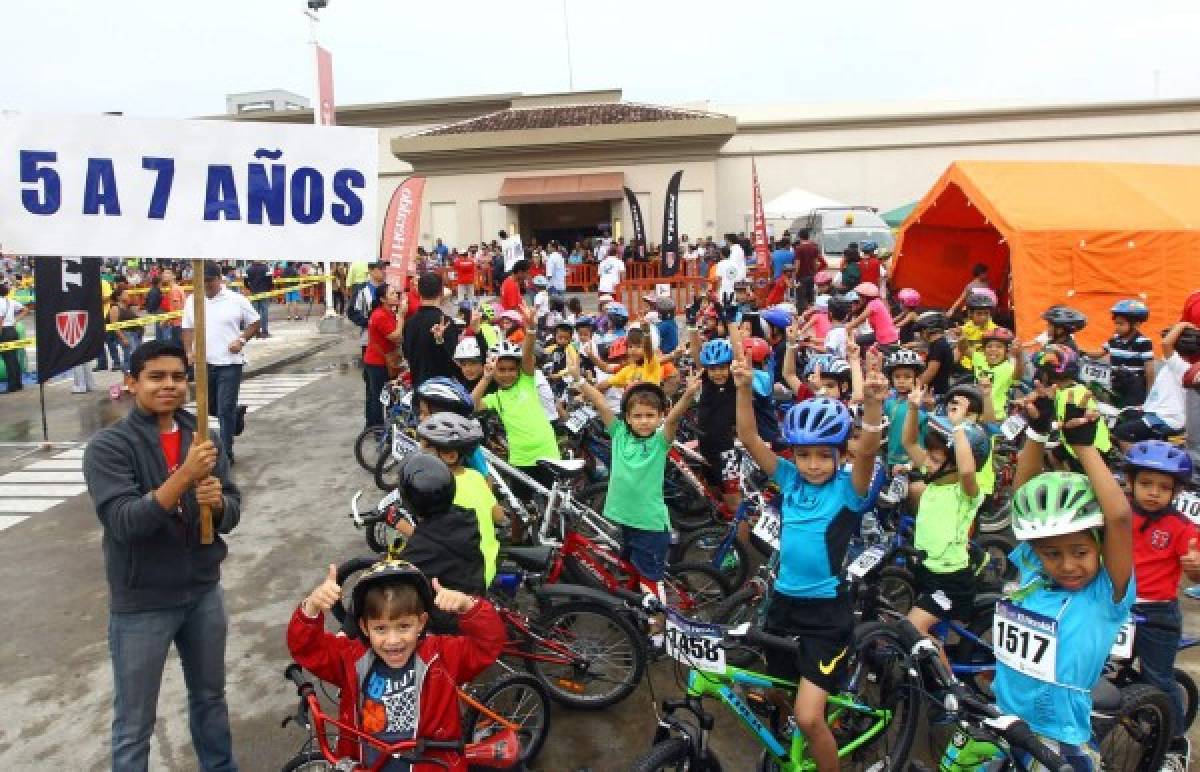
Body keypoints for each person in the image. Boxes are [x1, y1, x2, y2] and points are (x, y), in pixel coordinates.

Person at [83, 340, 241, 771]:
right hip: (142, 603)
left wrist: (218, 505)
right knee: (135, 722)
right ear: (131, 383)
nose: (169, 384)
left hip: (203, 592)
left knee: (211, 699)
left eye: (177, 376)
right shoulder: (109, 447)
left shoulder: (203, 437)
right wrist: (185, 477)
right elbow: (126, 522)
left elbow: (232, 508)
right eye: (156, 376)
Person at [734, 373, 885, 772]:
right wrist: (745, 388)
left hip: (826, 617)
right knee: (777, 691)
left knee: (808, 717)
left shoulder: (846, 491)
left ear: (839, 456)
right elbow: (749, 437)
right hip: (783, 606)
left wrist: (872, 406)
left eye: (822, 455)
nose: (812, 465)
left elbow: (868, 453)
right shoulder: (788, 480)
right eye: (803, 455)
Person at [993, 395, 1133, 772]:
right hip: (1006, 719)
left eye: (1080, 552)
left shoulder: (1105, 593)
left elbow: (1118, 518)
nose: (1068, 565)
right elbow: (1023, 494)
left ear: (1099, 548)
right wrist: (1037, 434)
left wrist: (1085, 447)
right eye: (1053, 554)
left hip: (1062, 736)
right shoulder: (1036, 573)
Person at [288, 556, 504, 771]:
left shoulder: (442, 656)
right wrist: (312, 607)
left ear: (421, 622)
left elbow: (488, 644)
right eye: (380, 628)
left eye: (403, 627)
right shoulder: (352, 659)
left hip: (430, 764)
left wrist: (469, 606)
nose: (393, 641)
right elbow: (306, 649)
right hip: (369, 764)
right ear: (364, 628)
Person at [1121, 440, 1200, 766]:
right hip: (1116, 607)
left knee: (1158, 678)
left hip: (1156, 612)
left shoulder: (1182, 527)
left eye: (1163, 487)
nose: (1153, 492)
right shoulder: (1119, 513)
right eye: (1146, 483)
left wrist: (1195, 569)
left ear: (1175, 491)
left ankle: (1174, 746)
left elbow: (1194, 567)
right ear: (1131, 483)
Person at [901, 384, 990, 637]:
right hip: (926, 568)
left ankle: (947, 678)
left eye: (936, 460)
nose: (927, 462)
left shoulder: (965, 492)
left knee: (912, 628)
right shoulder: (936, 477)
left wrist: (959, 426)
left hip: (951, 581)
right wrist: (912, 408)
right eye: (928, 455)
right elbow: (908, 442)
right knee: (925, 632)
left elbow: (966, 470)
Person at [471, 312, 561, 496]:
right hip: (520, 459)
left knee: (552, 505)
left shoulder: (526, 381)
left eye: (512, 369)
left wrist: (531, 329)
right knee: (521, 511)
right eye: (501, 370)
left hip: (547, 452)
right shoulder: (496, 397)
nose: (507, 374)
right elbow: (471, 404)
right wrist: (486, 378)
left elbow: (527, 354)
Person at [181, 263, 260, 463]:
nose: (206, 284)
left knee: (224, 409)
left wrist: (241, 340)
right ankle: (236, 413)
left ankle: (226, 454)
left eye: (210, 280)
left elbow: (255, 322)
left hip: (229, 363)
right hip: (204, 363)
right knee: (208, 408)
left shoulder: (236, 300)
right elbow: (187, 328)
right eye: (202, 281)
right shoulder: (192, 300)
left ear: (219, 279)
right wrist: (189, 352)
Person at [401, 272, 461, 391]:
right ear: (441, 293)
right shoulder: (447, 323)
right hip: (442, 390)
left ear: (419, 292)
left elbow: (407, 354)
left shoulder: (409, 323)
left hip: (419, 387)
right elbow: (454, 359)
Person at [1101, 299, 1155, 409]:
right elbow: (1100, 353)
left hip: (1134, 388)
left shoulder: (1143, 342)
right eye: (1116, 323)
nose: (1117, 327)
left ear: (1136, 324)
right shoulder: (1114, 339)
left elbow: (1149, 371)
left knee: (1129, 415)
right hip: (1116, 384)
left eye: (1121, 324)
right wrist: (1080, 352)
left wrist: (1150, 394)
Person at [364, 284, 405, 427]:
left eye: (395, 293)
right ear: (383, 299)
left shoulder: (388, 313)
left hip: (383, 361)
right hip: (378, 363)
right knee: (379, 397)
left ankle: (379, 426)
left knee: (383, 395)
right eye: (392, 293)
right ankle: (377, 428)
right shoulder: (380, 315)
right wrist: (401, 317)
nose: (396, 295)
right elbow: (396, 336)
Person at [0, 281, 29, 392]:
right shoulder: (10, 301)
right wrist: (15, 321)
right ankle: (18, 383)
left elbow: (0, 320)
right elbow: (26, 310)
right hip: (12, 330)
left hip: (4, 332)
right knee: (14, 359)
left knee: (8, 360)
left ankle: (12, 386)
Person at [109, 286, 144, 377]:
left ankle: (135, 378)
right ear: (118, 297)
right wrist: (123, 338)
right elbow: (114, 325)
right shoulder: (115, 308)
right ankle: (127, 379)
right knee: (129, 358)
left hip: (136, 334)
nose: (127, 295)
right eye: (125, 294)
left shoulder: (127, 307)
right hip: (127, 334)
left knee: (137, 357)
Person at [243, 260, 274, 338]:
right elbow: (270, 280)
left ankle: (256, 332)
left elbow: (245, 281)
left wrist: (250, 288)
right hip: (264, 292)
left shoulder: (248, 269)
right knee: (264, 312)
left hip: (254, 292)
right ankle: (264, 331)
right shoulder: (266, 268)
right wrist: (268, 289)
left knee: (254, 313)